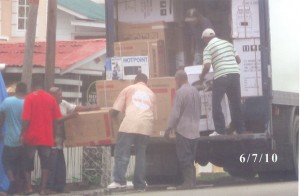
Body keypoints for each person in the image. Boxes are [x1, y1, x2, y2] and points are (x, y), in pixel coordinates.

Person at [107, 73, 156, 191]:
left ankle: (119, 181)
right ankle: (139, 184)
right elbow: (155, 115)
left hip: (130, 124)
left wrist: (109, 117)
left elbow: (115, 110)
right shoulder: (151, 94)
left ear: (135, 80)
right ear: (146, 82)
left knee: (122, 153)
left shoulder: (129, 89)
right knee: (141, 155)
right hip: (146, 126)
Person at [47, 87, 99, 193]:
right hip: (50, 139)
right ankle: (50, 187)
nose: (61, 97)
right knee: (52, 164)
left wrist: (90, 108)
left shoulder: (63, 104)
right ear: (52, 96)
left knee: (60, 164)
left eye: (61, 94)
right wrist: (70, 116)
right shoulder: (48, 106)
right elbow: (55, 120)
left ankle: (60, 186)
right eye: (59, 95)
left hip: (60, 139)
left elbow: (75, 108)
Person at [199, 28, 246, 136]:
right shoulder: (227, 44)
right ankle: (240, 129)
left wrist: (202, 76)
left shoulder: (208, 48)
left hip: (221, 76)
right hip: (235, 74)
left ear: (206, 39)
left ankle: (220, 130)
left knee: (216, 103)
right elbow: (238, 60)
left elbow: (207, 66)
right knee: (236, 103)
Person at [21, 76, 62, 195]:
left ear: (32, 85)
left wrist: (22, 133)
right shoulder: (51, 99)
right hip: (46, 137)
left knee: (27, 162)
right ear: (44, 86)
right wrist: (54, 135)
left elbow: (26, 119)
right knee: (46, 164)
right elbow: (56, 120)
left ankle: (29, 188)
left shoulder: (29, 98)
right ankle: (43, 189)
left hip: (31, 136)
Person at [164, 70, 201, 189]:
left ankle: (188, 183)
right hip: (195, 130)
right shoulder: (195, 91)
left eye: (175, 79)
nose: (175, 82)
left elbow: (175, 113)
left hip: (184, 130)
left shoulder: (180, 92)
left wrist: (168, 128)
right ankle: (192, 182)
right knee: (191, 158)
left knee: (184, 157)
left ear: (179, 79)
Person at [0, 82, 27, 195]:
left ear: (16, 89)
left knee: (7, 162)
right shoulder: (27, 103)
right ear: (25, 91)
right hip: (23, 140)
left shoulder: (7, 101)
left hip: (9, 140)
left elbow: (1, 118)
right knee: (20, 165)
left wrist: (0, 131)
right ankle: (18, 188)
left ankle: (11, 180)